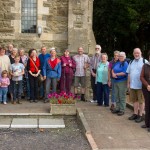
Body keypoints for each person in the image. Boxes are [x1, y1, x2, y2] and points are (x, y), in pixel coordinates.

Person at [127, 48, 147, 123]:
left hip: (141, 86)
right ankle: (135, 113)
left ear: (141, 53)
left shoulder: (145, 62)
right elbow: (129, 73)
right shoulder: (131, 62)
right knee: (134, 100)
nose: (136, 54)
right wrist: (128, 84)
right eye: (135, 53)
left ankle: (141, 115)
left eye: (138, 53)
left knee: (141, 101)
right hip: (132, 85)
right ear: (133, 54)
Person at [140, 50, 150, 132]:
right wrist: (147, 85)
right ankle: (147, 123)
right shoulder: (145, 65)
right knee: (147, 105)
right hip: (146, 88)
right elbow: (141, 77)